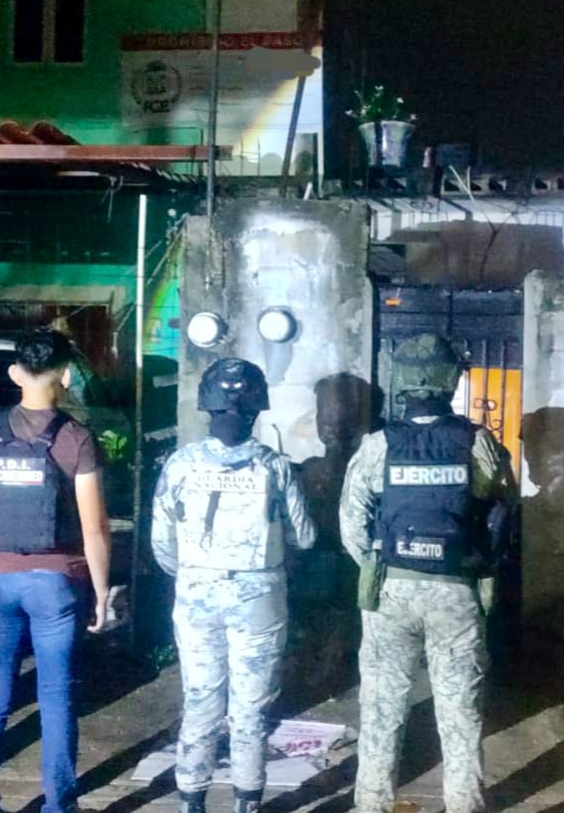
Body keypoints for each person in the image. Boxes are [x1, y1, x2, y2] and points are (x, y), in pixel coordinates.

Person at [339, 334, 519, 813]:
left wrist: (379, 566)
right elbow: (503, 509)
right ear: (450, 381)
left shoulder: (378, 445)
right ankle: (464, 804)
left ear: (402, 380)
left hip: (390, 590)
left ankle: (372, 805)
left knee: (382, 710)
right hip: (456, 589)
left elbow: (351, 524)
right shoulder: (477, 442)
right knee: (460, 713)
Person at [0, 329, 112, 813]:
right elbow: (95, 528)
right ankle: (59, 805)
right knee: (56, 695)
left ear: (14, 373)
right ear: (65, 376)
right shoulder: (76, 439)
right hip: (56, 585)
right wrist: (101, 592)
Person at [152, 357, 315, 813]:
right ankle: (247, 800)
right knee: (251, 708)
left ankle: (191, 800)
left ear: (207, 406)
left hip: (197, 592)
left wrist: (193, 574)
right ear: (257, 408)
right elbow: (304, 536)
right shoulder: (274, 466)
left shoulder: (180, 465)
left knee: (200, 698)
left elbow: (161, 542)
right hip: (259, 596)